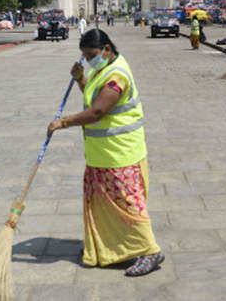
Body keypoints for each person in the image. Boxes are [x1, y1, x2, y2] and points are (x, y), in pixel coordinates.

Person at [47, 29, 164, 276]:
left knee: (129, 204)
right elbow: (94, 99)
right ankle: (111, 248)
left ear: (107, 49)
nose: (89, 61)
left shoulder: (117, 75)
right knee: (102, 204)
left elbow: (98, 111)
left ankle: (150, 250)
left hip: (120, 154)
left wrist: (63, 122)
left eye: (91, 55)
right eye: (85, 57)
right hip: (102, 154)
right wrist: (81, 80)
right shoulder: (102, 70)